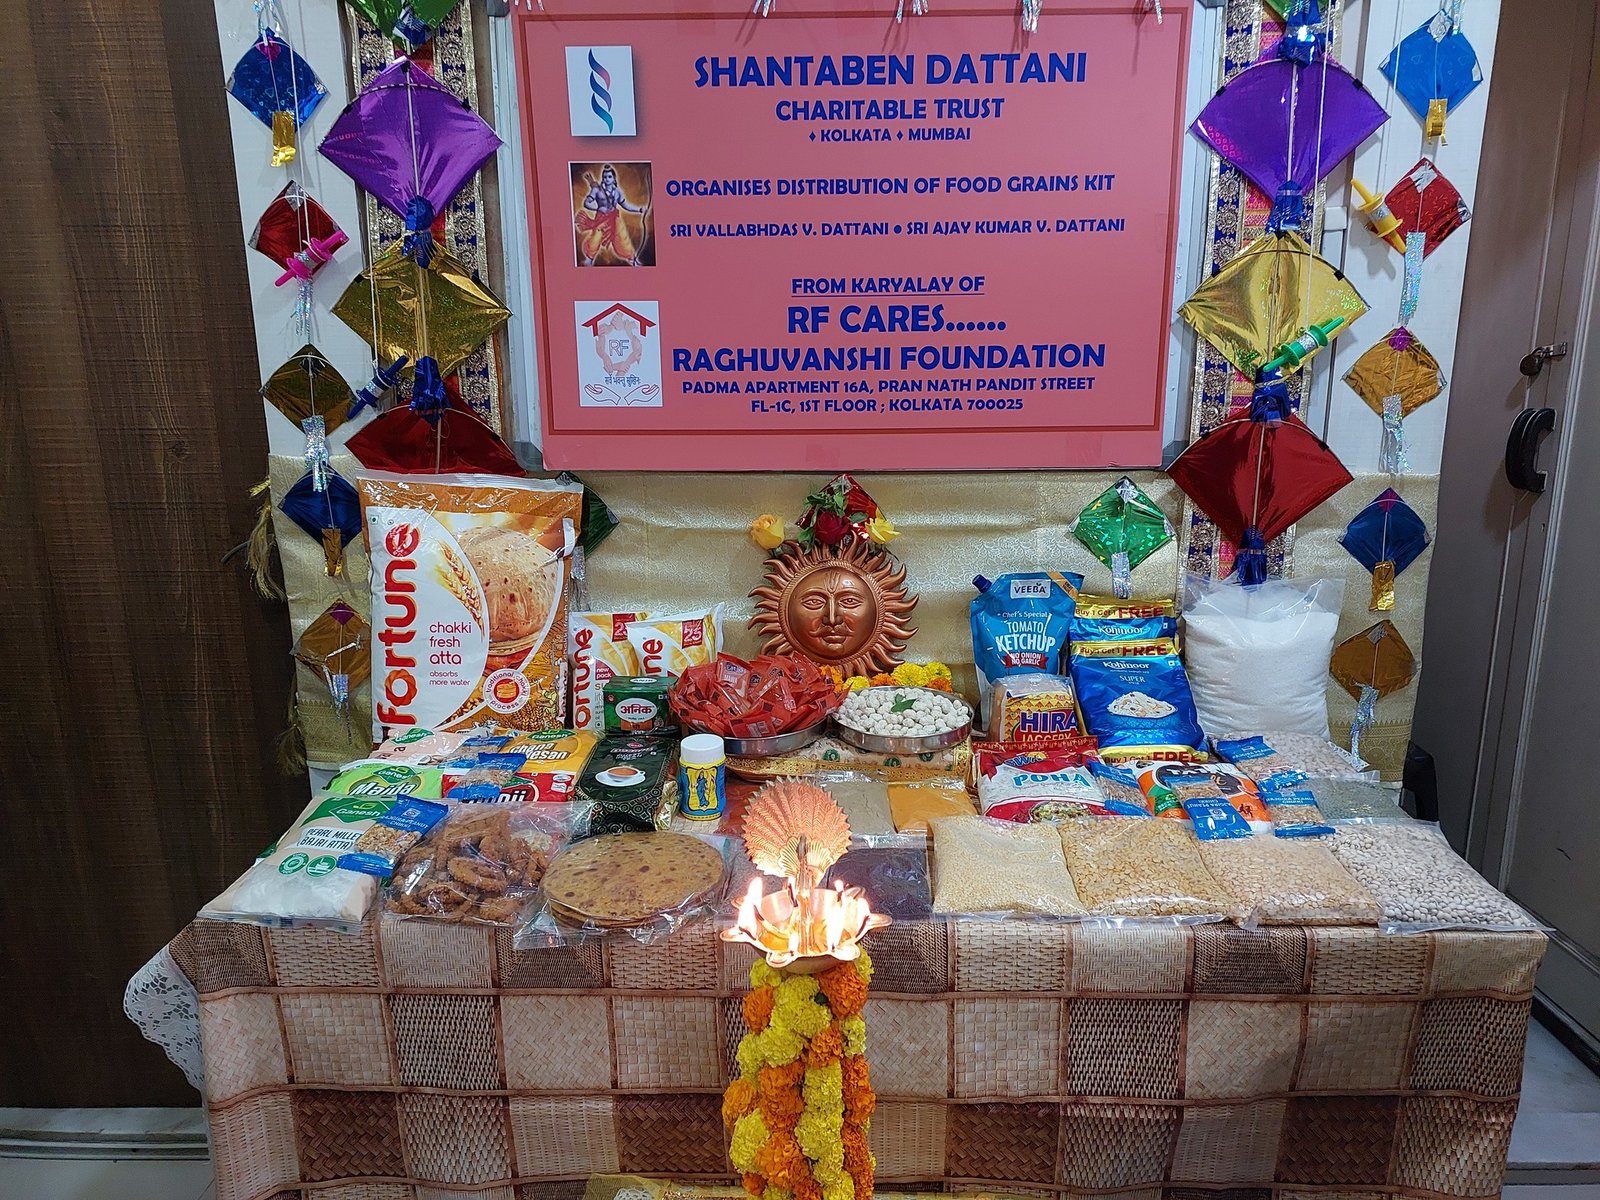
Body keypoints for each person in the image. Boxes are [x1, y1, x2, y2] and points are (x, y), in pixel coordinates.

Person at [575, 165, 647, 266]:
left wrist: (639, 209)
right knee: (596, 238)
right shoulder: (597, 190)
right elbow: (587, 203)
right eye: (605, 177)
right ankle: (590, 259)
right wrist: (598, 208)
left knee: (623, 238)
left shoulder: (617, 191)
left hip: (614, 218)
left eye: (609, 177)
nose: (607, 179)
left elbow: (625, 205)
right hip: (601, 219)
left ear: (614, 178)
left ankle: (632, 259)